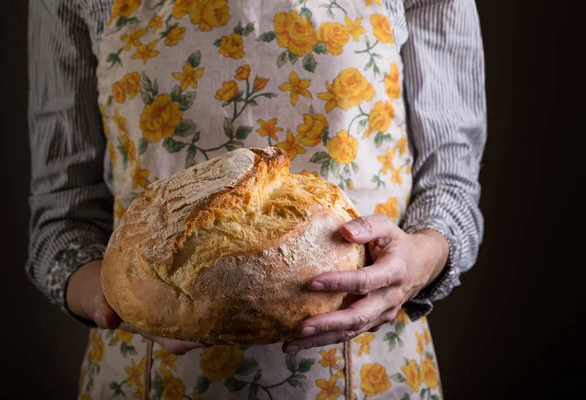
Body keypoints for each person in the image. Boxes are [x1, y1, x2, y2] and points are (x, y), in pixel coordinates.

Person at [27, 0, 486, 398]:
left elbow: (451, 188)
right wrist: (115, 306)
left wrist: (417, 263)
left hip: (368, 374)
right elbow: (60, 222)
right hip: (149, 377)